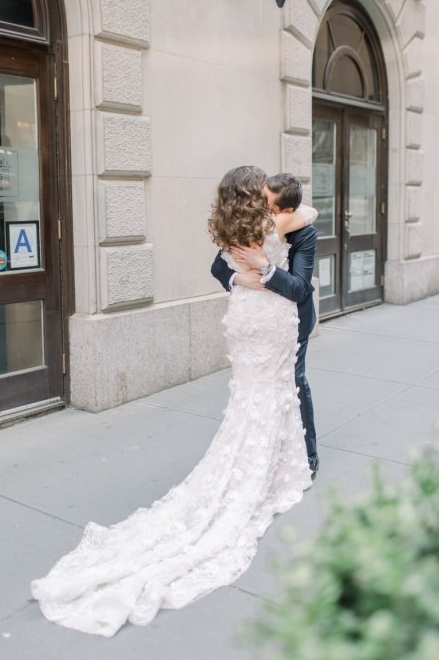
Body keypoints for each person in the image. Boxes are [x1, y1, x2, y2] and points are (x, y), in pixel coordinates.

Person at [30, 166, 316, 637]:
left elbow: (222, 266)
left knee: (256, 396)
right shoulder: (280, 223)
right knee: (273, 392)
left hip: (246, 320)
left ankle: (273, 459)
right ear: (256, 195)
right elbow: (302, 228)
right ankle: (273, 468)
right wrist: (258, 274)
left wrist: (242, 280)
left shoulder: (231, 223)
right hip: (267, 319)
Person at [211, 172, 320, 478]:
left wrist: (266, 267)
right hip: (253, 318)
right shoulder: (251, 223)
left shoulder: (303, 233)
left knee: (293, 381)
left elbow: (300, 288)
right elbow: (218, 266)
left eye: (267, 201)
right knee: (254, 385)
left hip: (289, 319)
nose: (261, 206)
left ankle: (306, 452)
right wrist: (238, 277)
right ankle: (261, 452)